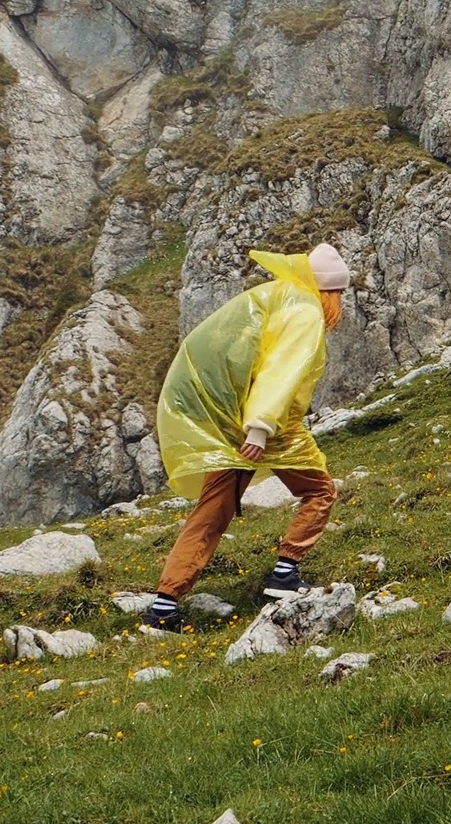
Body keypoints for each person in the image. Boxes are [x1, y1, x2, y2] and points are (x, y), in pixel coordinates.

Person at [141, 242, 350, 633]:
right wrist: (260, 426)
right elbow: (281, 372)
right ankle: (284, 575)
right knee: (320, 491)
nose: (338, 304)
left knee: (211, 512)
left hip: (230, 419)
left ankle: (163, 608)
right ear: (330, 291)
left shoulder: (276, 295)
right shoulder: (305, 311)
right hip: (267, 426)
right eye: (339, 294)